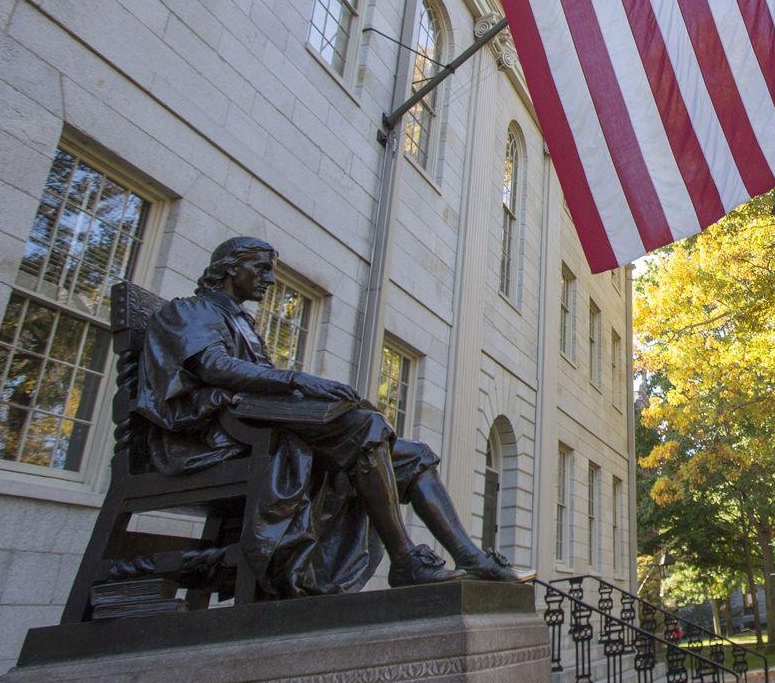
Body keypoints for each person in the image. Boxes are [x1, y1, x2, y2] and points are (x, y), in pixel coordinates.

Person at [136, 236, 516, 595]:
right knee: (366, 428)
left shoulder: (240, 322)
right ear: (230, 269)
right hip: (211, 440)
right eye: (261, 268)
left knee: (415, 456)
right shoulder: (190, 309)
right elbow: (213, 367)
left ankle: (469, 556)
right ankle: (404, 560)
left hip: (255, 429)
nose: (269, 278)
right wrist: (299, 381)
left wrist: (304, 391)